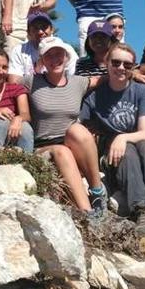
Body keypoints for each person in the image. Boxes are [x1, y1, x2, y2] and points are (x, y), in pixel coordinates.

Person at [80, 43, 145, 235]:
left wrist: (122, 137)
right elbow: (83, 126)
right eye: (116, 62)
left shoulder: (143, 91)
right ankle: (143, 209)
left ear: (133, 67)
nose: (121, 68)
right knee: (128, 151)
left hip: (140, 146)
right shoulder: (94, 97)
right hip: (113, 154)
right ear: (107, 64)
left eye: (127, 65)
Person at [27, 37, 106, 214]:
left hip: (70, 141)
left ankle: (97, 192)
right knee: (62, 152)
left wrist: (134, 73)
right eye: (49, 56)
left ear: (67, 56)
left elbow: (103, 79)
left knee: (78, 129)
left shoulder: (78, 82)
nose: (55, 59)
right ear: (42, 60)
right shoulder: (31, 81)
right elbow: (3, 82)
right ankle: (87, 212)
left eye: (59, 54)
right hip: (43, 146)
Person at [7, 12, 77, 83]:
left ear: (52, 29)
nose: (40, 32)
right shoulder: (19, 51)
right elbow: (14, 82)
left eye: (44, 27)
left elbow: (74, 79)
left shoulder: (66, 49)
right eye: (35, 28)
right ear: (28, 32)